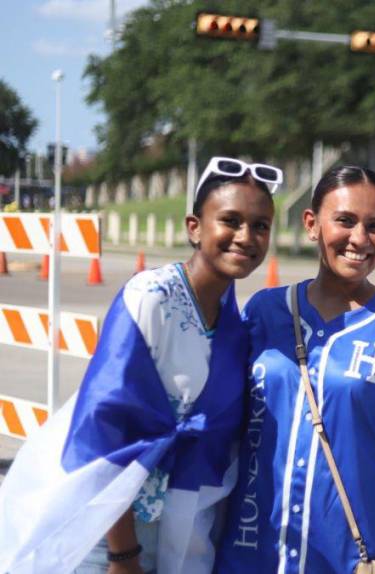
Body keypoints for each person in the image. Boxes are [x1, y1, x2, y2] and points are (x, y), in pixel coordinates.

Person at [0, 156, 281, 574]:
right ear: (194, 227)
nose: (246, 236)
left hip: (176, 533)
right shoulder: (152, 296)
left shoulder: (233, 323)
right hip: (107, 529)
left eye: (260, 226)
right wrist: (123, 555)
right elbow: (104, 426)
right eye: (231, 220)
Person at [215, 166, 375, 574]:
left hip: (350, 558)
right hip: (252, 553)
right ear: (311, 224)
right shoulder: (264, 312)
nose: (359, 239)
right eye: (345, 221)